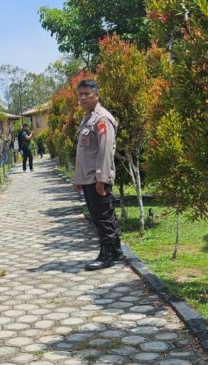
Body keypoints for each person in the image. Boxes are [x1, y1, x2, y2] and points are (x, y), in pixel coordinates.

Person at [73, 78, 121, 271]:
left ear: (96, 95)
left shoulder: (102, 119)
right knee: (101, 215)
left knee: (102, 217)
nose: (83, 98)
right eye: (80, 94)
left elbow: (105, 151)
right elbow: (84, 152)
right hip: (88, 177)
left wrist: (101, 179)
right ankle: (116, 251)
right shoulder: (88, 117)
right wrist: (79, 178)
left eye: (87, 94)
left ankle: (106, 255)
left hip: (97, 178)